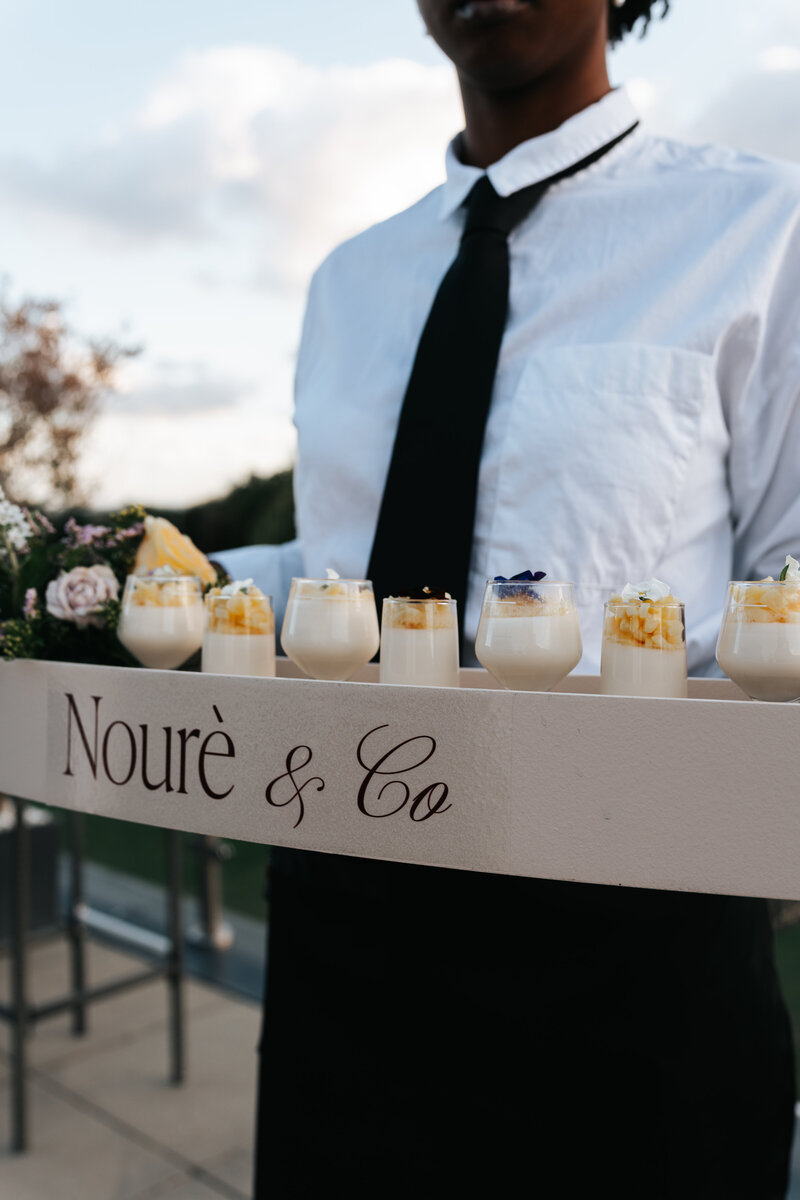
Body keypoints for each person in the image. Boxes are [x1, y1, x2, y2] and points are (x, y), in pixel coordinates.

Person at [219, 1, 800, 1195]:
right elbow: (338, 571)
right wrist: (120, 575)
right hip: (340, 922)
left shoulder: (764, 226)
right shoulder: (347, 282)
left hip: (635, 948)